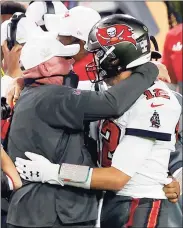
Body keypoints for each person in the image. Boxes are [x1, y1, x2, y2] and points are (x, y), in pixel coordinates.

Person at [16, 15, 182, 228]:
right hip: (106, 201)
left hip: (139, 204)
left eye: (98, 54)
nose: (93, 60)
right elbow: (59, 93)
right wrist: (20, 81)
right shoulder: (109, 89)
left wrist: (55, 173)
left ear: (116, 56)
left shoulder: (155, 100)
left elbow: (116, 178)